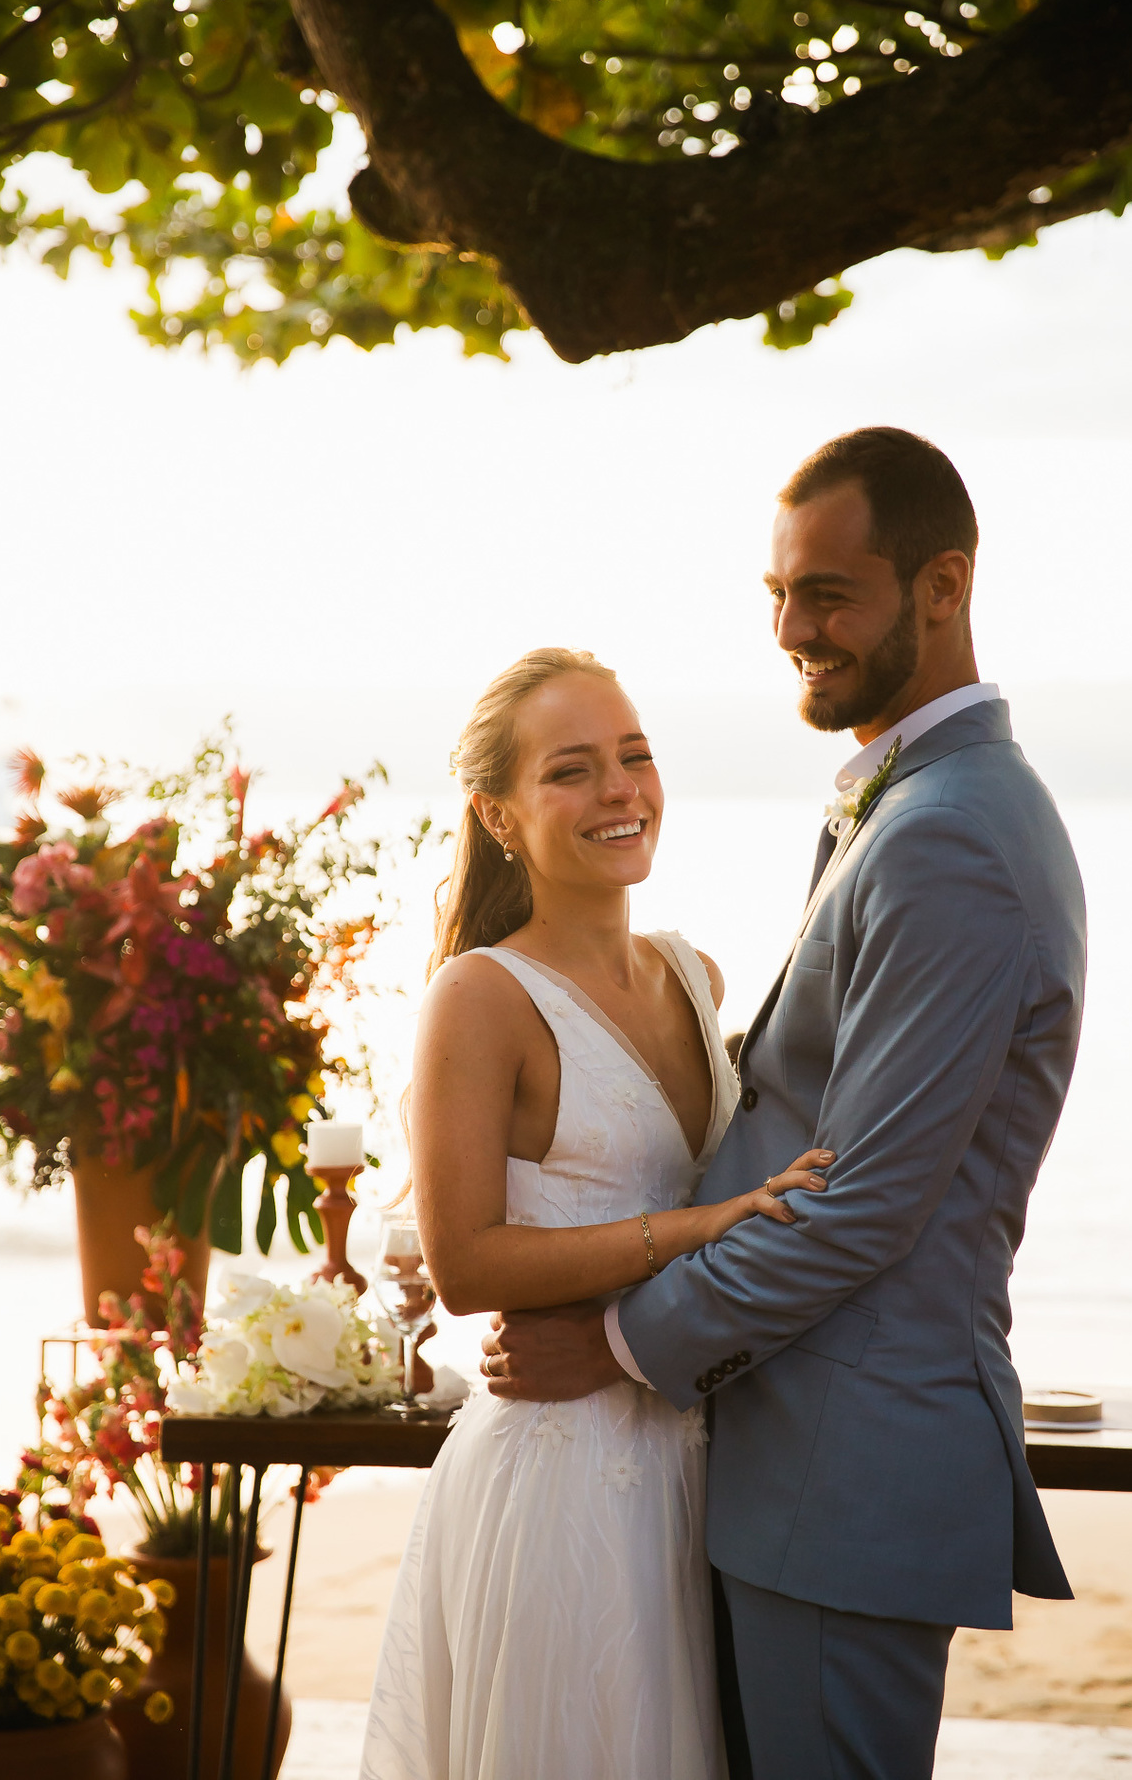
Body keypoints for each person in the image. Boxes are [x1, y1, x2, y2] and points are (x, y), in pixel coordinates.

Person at [481, 428, 1088, 1780]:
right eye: (776, 594)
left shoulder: (952, 840)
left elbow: (862, 1204)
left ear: (944, 584)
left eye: (828, 593)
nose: (791, 629)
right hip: (791, 1464)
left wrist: (622, 1344)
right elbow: (799, 1100)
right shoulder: (914, 805)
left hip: (846, 1472)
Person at [360, 645, 833, 1780]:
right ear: (502, 814)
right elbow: (464, 1261)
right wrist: (699, 1232)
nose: (621, 789)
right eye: (571, 769)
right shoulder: (480, 997)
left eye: (635, 756)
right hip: (557, 1475)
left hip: (695, 1450)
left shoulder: (697, 975)